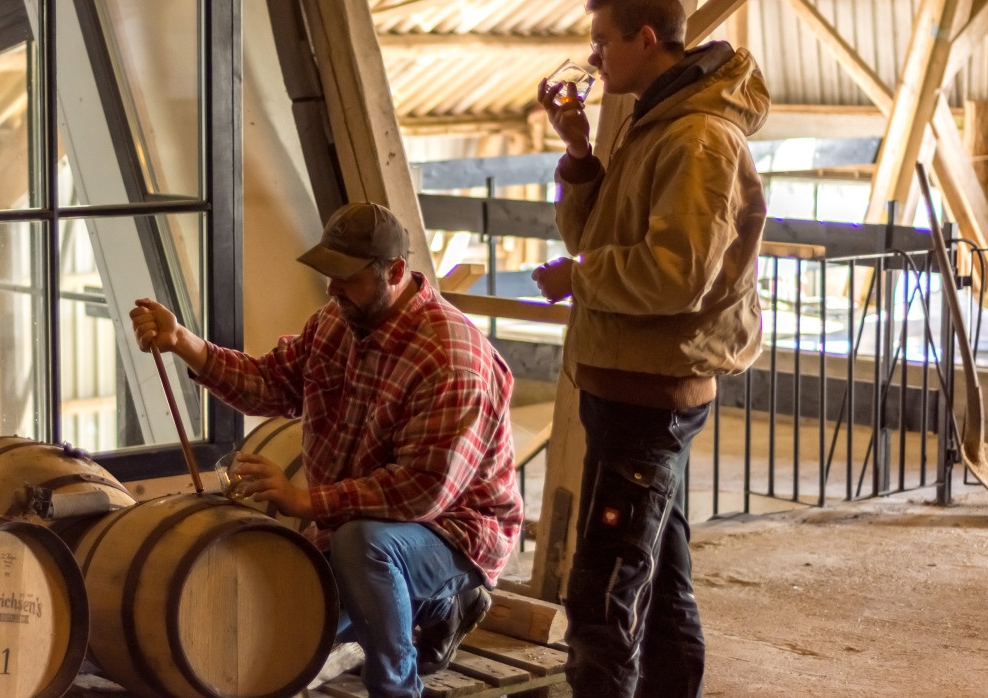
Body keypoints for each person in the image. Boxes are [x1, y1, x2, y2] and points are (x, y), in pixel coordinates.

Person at [130, 201, 524, 697]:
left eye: (346, 277)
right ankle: (439, 609)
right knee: (289, 628)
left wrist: (305, 502)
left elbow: (421, 493)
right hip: (357, 528)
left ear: (396, 272)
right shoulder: (337, 323)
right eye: (327, 275)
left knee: (363, 545)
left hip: (452, 532)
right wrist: (183, 341)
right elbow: (268, 384)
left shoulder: (451, 359)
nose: (333, 289)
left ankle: (399, 686)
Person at [530, 1, 769, 696]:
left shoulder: (698, 138)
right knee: (659, 581)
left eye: (603, 41)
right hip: (628, 384)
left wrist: (577, 281)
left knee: (601, 594)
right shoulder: (655, 123)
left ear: (644, 36)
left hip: (650, 393)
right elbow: (596, 238)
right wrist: (579, 152)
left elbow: (676, 274)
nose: (594, 58)